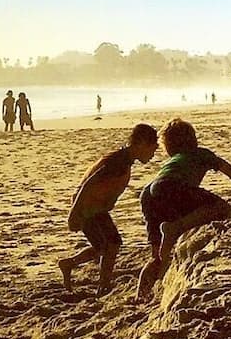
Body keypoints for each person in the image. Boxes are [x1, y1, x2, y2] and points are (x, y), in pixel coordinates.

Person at [136, 119, 231, 301]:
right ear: (193, 139)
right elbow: (228, 169)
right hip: (173, 186)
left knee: (157, 254)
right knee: (221, 207)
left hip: (149, 194)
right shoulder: (201, 154)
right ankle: (175, 227)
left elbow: (160, 186)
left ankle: (141, 294)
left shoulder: (173, 160)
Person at [59, 124, 159, 296]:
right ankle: (102, 286)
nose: (153, 155)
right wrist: (74, 213)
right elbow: (89, 183)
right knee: (108, 247)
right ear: (141, 143)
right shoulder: (118, 161)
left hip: (97, 208)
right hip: (87, 207)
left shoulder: (125, 159)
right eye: (152, 149)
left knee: (109, 246)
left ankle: (71, 265)